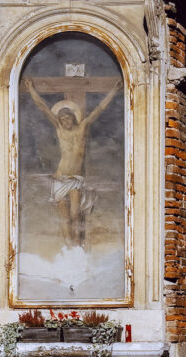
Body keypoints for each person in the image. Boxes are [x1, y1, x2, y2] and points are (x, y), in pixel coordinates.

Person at [23, 76, 122, 247]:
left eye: (68, 118)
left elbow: (99, 109)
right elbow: (44, 108)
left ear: (73, 117)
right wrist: (31, 89)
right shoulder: (60, 130)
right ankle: (69, 247)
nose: (65, 121)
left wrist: (113, 91)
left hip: (75, 178)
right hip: (60, 177)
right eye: (62, 119)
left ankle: (77, 244)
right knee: (64, 217)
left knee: (76, 213)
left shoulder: (83, 127)